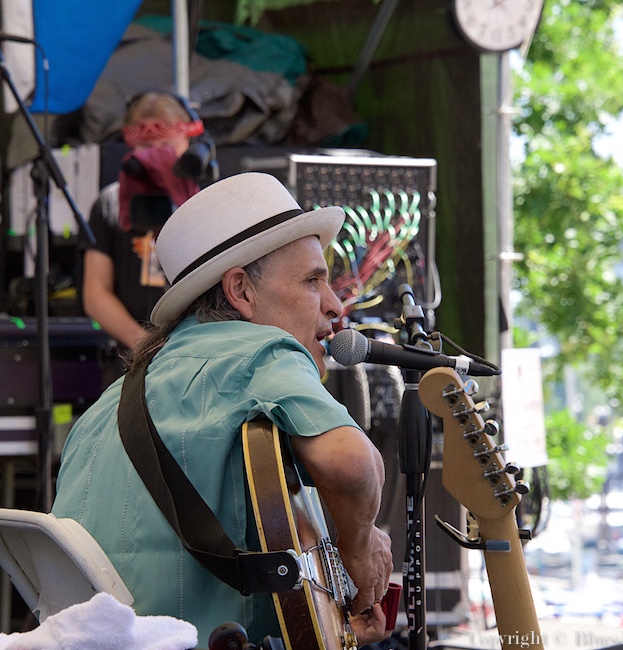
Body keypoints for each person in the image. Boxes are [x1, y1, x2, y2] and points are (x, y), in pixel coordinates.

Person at [53, 172, 393, 644]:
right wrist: (361, 546)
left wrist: (334, 629)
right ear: (241, 292)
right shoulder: (264, 351)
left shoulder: (101, 411)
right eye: (313, 281)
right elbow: (351, 464)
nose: (336, 306)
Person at [81, 91, 203, 388]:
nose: (156, 155)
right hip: (131, 365)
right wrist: (145, 345)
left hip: (200, 360)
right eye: (147, 147)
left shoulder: (209, 200)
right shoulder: (110, 203)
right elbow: (95, 294)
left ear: (186, 141)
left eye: (165, 145)